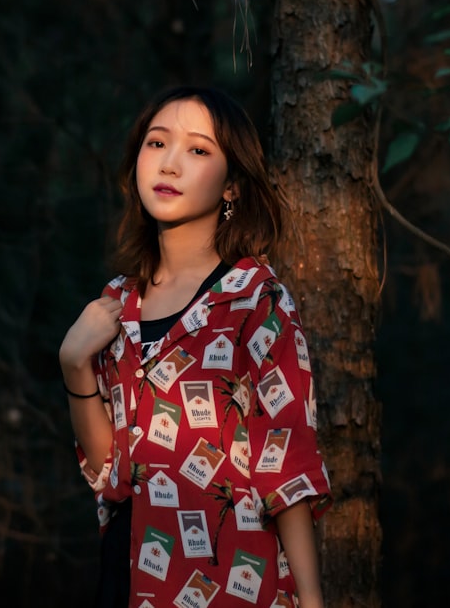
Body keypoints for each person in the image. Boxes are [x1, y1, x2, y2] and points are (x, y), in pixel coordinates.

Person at [59, 86, 332, 608]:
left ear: (231, 185)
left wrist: (313, 598)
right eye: (157, 144)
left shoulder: (256, 298)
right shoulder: (117, 304)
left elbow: (288, 462)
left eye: (199, 150)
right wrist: (74, 365)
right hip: (129, 571)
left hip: (227, 577)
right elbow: (111, 475)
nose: (171, 164)